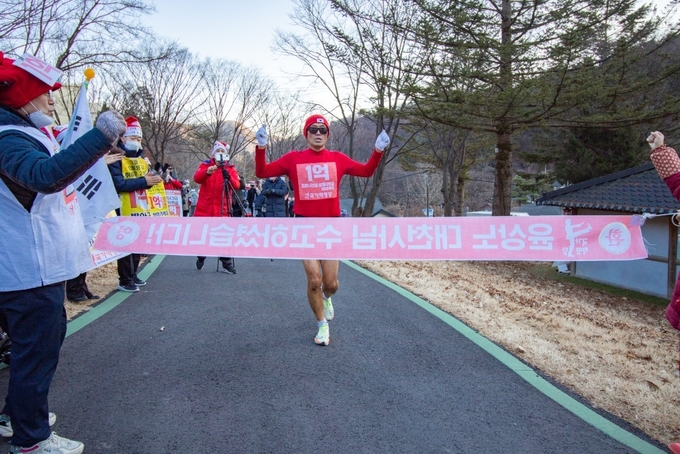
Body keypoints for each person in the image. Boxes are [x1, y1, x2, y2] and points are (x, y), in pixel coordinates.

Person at [0, 51, 127, 454]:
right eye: (45, 92)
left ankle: (17, 415)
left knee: (36, 346)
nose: (52, 100)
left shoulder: (20, 132)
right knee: (35, 353)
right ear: (23, 98)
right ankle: (31, 439)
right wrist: (99, 137)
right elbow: (45, 176)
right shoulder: (8, 137)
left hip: (31, 266)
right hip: (27, 269)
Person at [255, 114, 390, 345]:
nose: (318, 133)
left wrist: (378, 150)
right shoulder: (293, 159)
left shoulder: (337, 159)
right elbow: (262, 172)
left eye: (323, 130)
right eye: (313, 129)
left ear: (327, 134)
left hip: (330, 228)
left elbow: (366, 171)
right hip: (304, 226)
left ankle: (327, 298)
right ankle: (322, 325)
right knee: (314, 280)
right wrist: (261, 147)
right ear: (306, 133)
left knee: (330, 283)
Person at [108, 116, 163, 292]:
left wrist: (153, 179)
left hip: (140, 207)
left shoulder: (141, 160)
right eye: (133, 138)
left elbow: (145, 182)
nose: (136, 142)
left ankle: (133, 274)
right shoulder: (115, 158)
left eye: (139, 139)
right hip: (122, 206)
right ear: (123, 138)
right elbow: (118, 184)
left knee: (138, 241)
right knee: (126, 242)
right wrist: (144, 181)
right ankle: (124, 279)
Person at [193, 141, 241, 274]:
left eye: (222, 151)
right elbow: (197, 178)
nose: (220, 154)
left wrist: (229, 177)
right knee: (204, 236)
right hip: (205, 208)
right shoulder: (205, 165)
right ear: (213, 154)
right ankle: (201, 256)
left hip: (223, 209)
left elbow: (237, 185)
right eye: (218, 151)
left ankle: (226, 263)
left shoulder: (230, 169)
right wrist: (207, 172)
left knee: (223, 236)